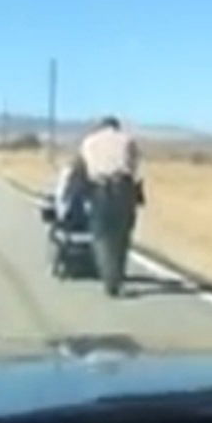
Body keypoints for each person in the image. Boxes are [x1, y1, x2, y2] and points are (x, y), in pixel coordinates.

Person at [79, 116, 141, 297]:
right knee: (121, 237)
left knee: (101, 237)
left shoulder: (89, 142)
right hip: (123, 189)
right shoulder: (127, 140)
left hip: (98, 189)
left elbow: (84, 168)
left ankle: (109, 278)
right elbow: (133, 166)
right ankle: (117, 277)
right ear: (116, 127)